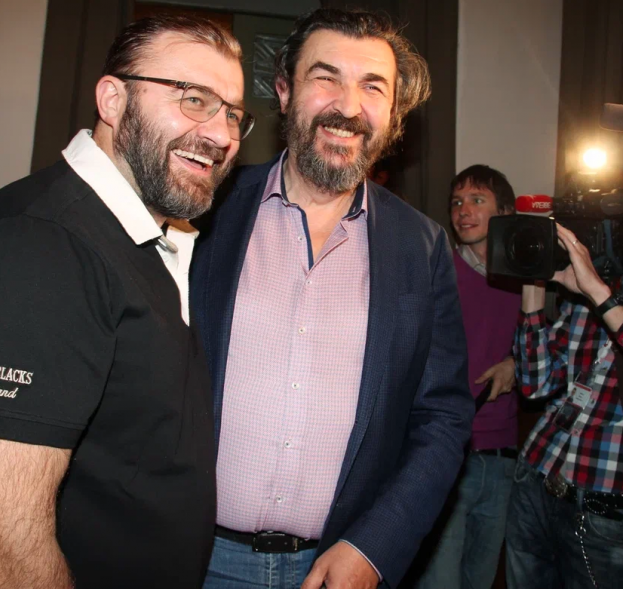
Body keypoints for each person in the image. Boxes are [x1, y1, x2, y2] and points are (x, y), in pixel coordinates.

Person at [0, 15, 252, 589]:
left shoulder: (148, 240)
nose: (221, 135)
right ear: (112, 100)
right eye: (194, 99)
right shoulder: (35, 248)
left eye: (232, 114)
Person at [191, 9, 474, 589]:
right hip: (192, 558)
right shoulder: (204, 211)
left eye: (373, 87)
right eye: (326, 78)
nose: (348, 106)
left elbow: (443, 418)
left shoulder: (422, 247)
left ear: (393, 114)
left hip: (336, 568)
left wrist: (375, 548)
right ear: (284, 90)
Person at [410, 165, 521, 589]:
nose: (463, 210)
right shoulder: (438, 270)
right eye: (457, 202)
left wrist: (516, 363)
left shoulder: (529, 278)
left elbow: (554, 351)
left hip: (504, 456)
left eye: (477, 200)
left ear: (505, 212)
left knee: (482, 579)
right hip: (448, 452)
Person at [506, 223, 623, 589]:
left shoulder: (599, 294)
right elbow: (535, 383)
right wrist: (533, 281)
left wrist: (600, 295)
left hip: (603, 505)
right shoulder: (590, 298)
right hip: (536, 478)